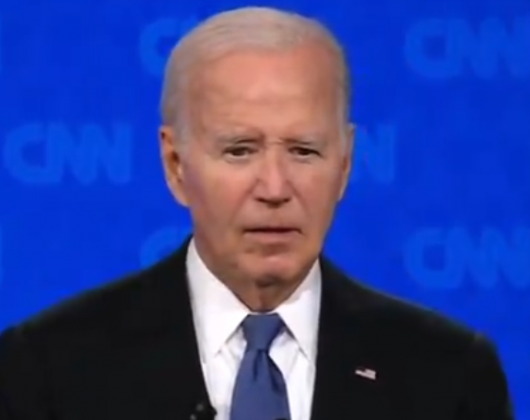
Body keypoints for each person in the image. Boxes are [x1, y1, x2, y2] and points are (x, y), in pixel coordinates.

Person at [0, 6, 513, 420]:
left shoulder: (450, 376)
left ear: (346, 164)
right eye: (240, 150)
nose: (274, 187)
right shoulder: (48, 369)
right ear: (176, 165)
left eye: (304, 151)